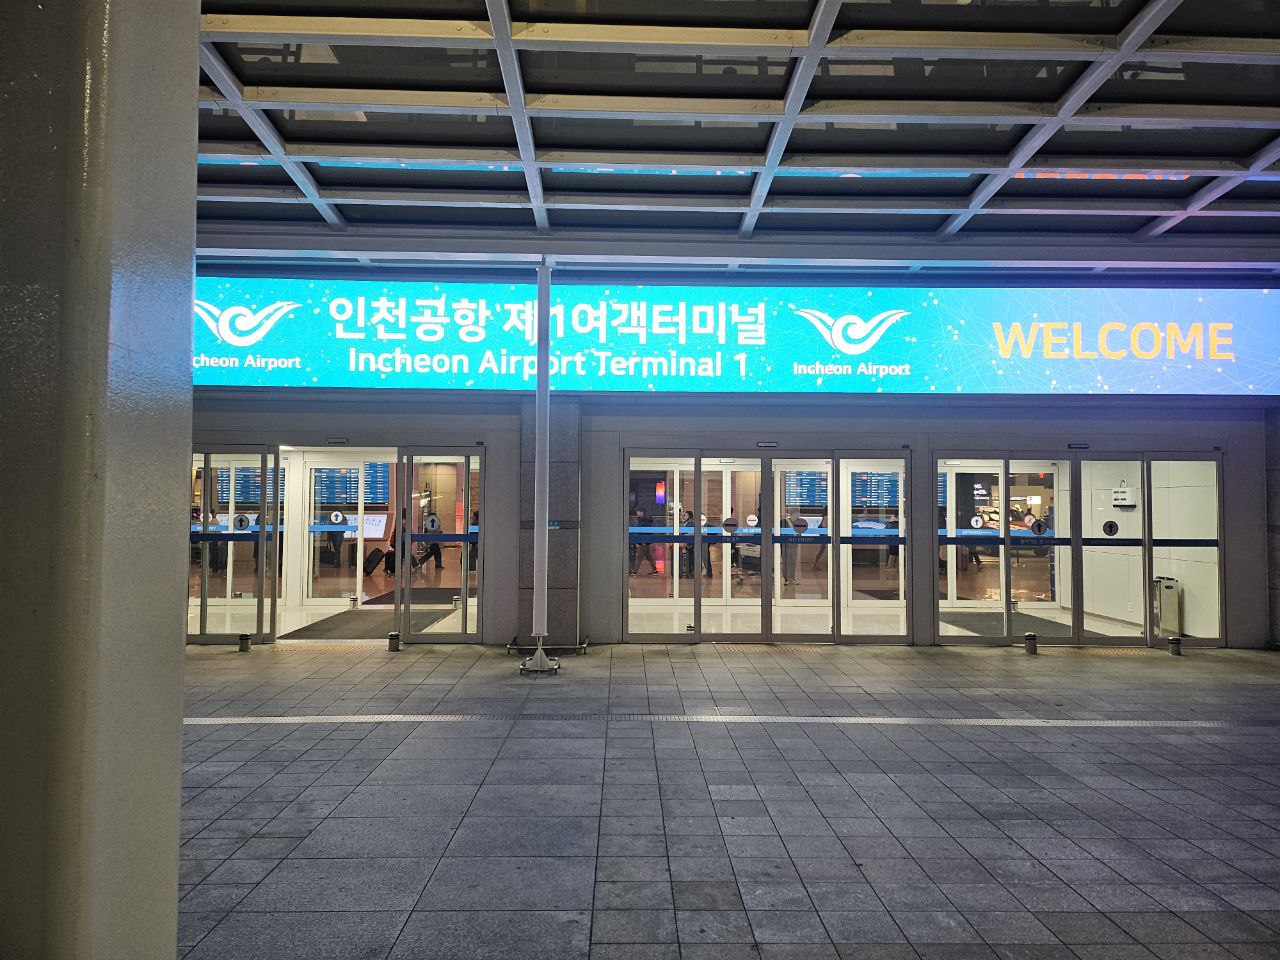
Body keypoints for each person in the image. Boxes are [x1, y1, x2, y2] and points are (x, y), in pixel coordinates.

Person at [630, 507, 656, 576]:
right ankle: (655, 570)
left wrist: (643, 541)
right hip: (643, 540)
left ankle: (635, 571)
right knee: (648, 556)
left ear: (642, 512)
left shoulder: (645, 521)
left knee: (639, 557)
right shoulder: (641, 520)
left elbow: (645, 531)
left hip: (644, 541)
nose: (637, 513)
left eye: (638, 512)